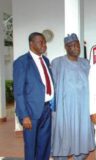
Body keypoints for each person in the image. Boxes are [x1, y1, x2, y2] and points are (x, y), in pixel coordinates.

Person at [51, 33, 95, 160]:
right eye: (72, 45)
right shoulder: (57, 63)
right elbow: (50, 86)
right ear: (66, 47)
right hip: (64, 108)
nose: (76, 48)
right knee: (63, 133)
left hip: (83, 107)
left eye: (77, 45)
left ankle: (79, 156)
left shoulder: (85, 63)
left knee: (81, 133)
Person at [13, 32, 54, 160]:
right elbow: (19, 92)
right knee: (31, 146)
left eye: (45, 42)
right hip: (31, 112)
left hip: (47, 109)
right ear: (31, 44)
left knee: (44, 144)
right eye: (40, 42)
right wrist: (24, 115)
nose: (44, 45)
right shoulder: (21, 62)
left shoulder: (46, 60)